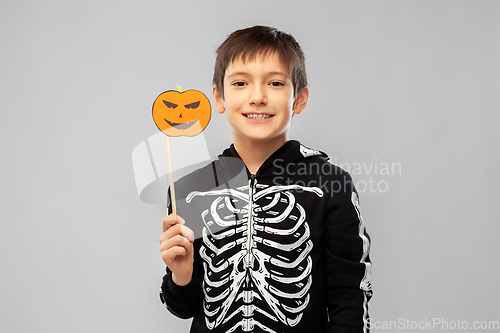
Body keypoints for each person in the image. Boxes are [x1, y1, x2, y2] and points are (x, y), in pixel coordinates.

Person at [159, 25, 372, 333]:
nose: (257, 97)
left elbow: (350, 298)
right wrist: (181, 274)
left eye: (274, 83)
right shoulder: (190, 190)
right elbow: (184, 307)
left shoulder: (329, 184)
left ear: (299, 99)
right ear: (218, 98)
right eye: (241, 83)